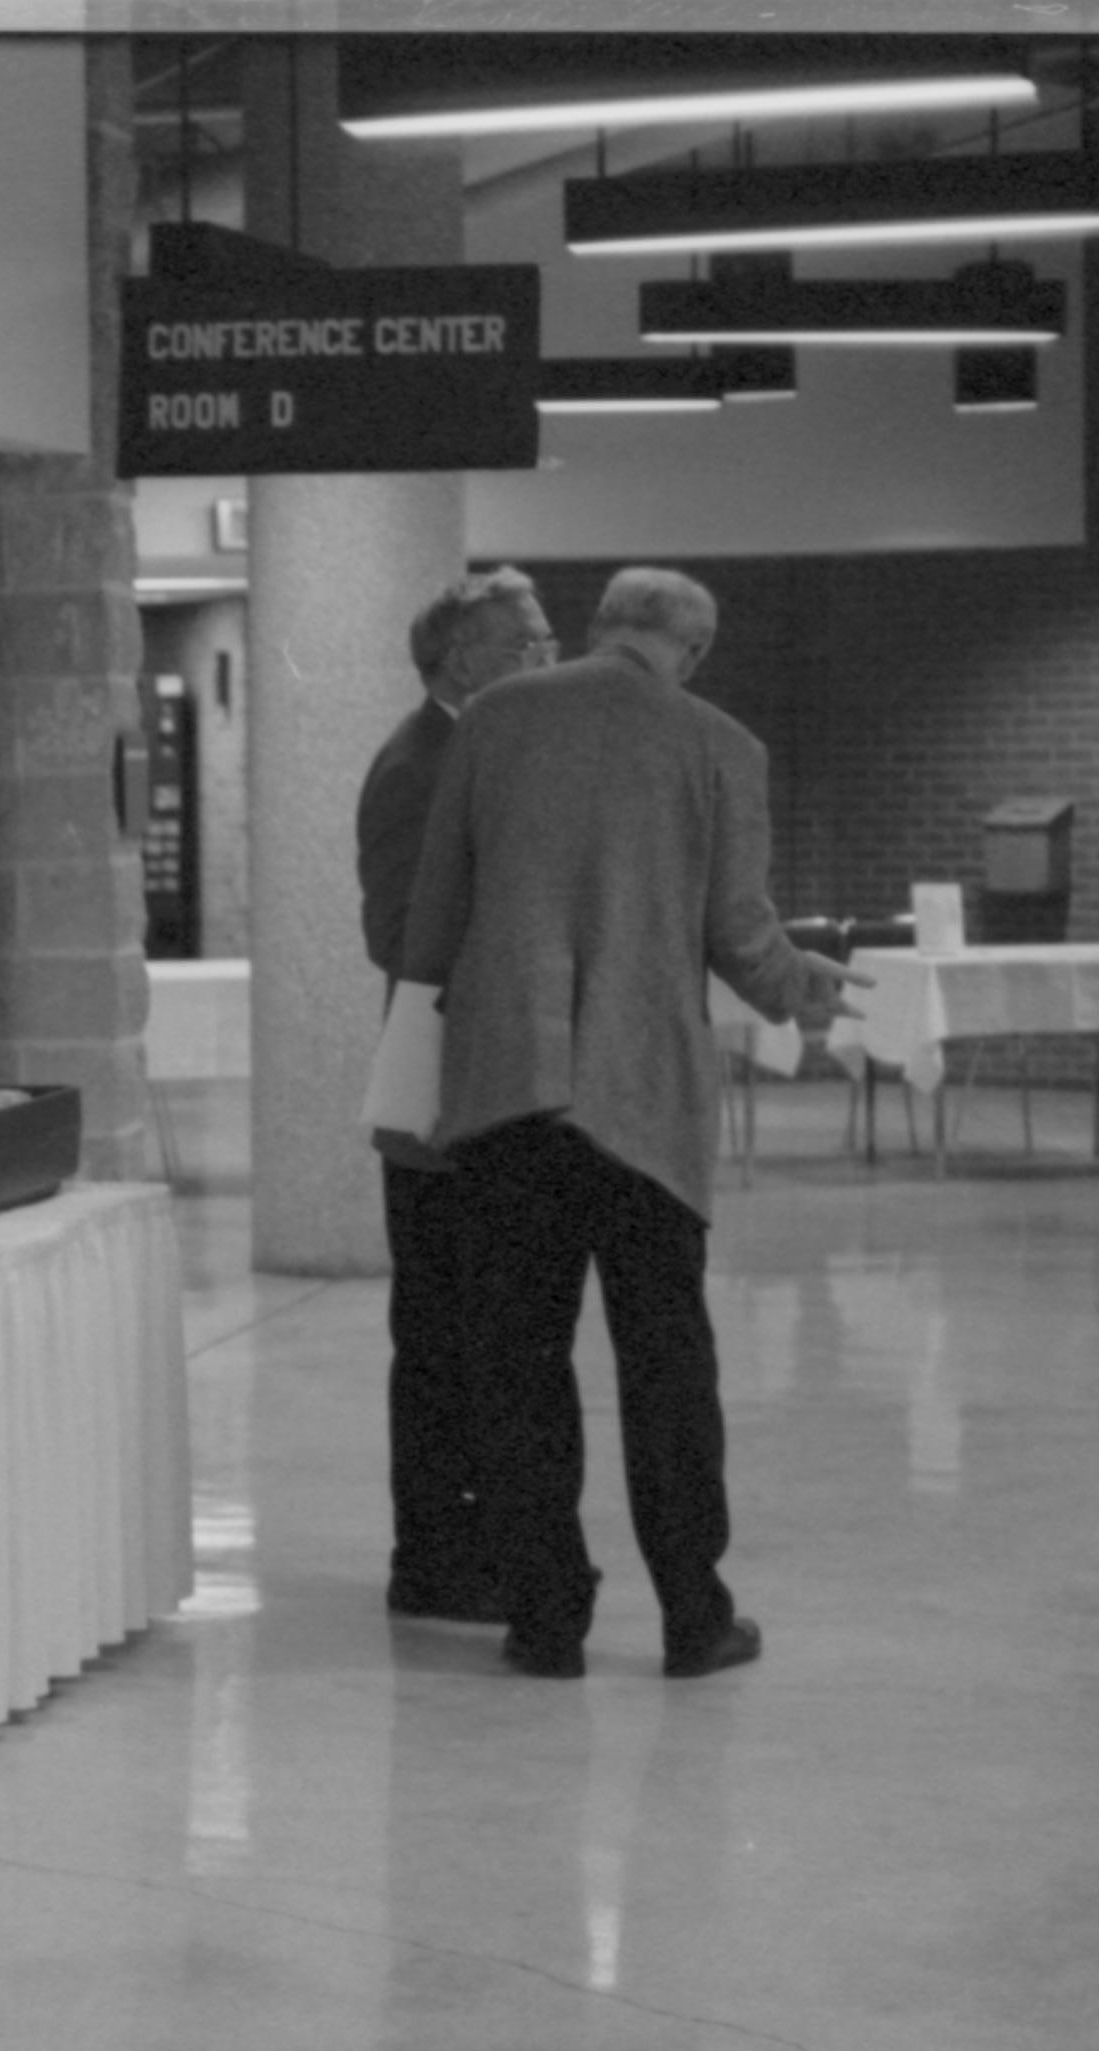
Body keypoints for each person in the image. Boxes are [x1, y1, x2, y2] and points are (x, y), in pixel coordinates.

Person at [397, 567, 865, 1681]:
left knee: (517, 1365)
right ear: (692, 650)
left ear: (600, 628)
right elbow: (738, 929)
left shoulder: (500, 719)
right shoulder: (721, 747)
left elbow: (437, 903)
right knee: (666, 1367)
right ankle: (693, 1618)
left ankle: (547, 1621)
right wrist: (801, 986)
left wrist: (422, 1039)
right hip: (644, 1102)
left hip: (509, 1091)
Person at [356, 567, 554, 1625]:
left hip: (491, 1092)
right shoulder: (418, 767)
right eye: (527, 642)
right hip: (440, 1096)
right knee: (439, 1336)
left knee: (484, 1332)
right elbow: (400, 939)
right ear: (462, 661)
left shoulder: (483, 749)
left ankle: (473, 1540)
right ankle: (432, 1556)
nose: (548, 656)